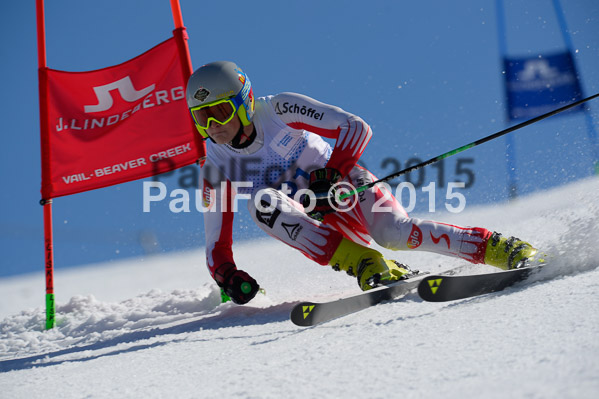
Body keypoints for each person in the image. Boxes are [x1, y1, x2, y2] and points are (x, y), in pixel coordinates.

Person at [185, 61, 538, 304]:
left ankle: (496, 246)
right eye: (202, 117)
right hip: (320, 221)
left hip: (346, 188)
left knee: (396, 234)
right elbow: (215, 246)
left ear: (243, 102)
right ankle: (368, 264)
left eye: (221, 111)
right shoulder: (215, 166)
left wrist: (332, 173)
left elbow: (355, 126)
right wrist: (228, 276)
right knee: (261, 202)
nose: (213, 125)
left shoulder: (277, 109)